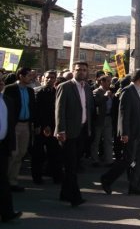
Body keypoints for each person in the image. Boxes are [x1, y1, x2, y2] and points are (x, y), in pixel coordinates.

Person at [100, 69, 140, 195]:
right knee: (127, 159)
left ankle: (134, 186)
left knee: (139, 160)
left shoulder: (139, 91)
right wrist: (124, 133)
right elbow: (123, 114)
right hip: (131, 133)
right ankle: (107, 179)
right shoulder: (128, 91)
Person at [55, 61, 94, 207]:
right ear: (73, 71)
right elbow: (59, 110)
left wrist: (89, 128)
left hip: (82, 131)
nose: (82, 72)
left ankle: (64, 193)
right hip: (68, 133)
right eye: (79, 70)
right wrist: (60, 130)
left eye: (84, 70)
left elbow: (88, 109)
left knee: (74, 164)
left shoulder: (87, 88)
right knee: (71, 166)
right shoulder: (65, 87)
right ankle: (75, 197)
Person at [4, 67, 36, 192]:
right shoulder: (10, 89)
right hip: (14, 125)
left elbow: (32, 107)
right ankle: (5, 180)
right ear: (21, 76)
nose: (31, 77)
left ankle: (13, 181)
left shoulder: (30, 91)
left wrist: (35, 124)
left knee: (21, 153)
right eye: (28, 75)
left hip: (26, 125)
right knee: (13, 153)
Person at [32, 70, 63, 184]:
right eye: (48, 77)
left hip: (54, 127)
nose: (50, 79)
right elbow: (35, 111)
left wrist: (53, 126)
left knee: (54, 154)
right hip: (39, 128)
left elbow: (57, 111)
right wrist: (39, 125)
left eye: (52, 77)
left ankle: (56, 176)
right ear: (43, 78)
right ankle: (37, 177)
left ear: (55, 79)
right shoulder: (36, 92)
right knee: (38, 154)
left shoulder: (57, 92)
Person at [0, 73, 22, 222]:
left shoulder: (7, 101)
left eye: (1, 81)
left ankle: (7, 213)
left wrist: (11, 145)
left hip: (2, 146)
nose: (1, 83)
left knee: (2, 180)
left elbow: (11, 124)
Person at [91, 75, 114, 167]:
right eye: (108, 81)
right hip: (99, 119)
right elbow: (96, 103)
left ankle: (109, 160)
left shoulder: (110, 91)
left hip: (108, 118)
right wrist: (105, 96)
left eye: (110, 81)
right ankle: (95, 160)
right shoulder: (96, 91)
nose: (110, 83)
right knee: (96, 140)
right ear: (102, 82)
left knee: (108, 140)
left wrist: (113, 97)